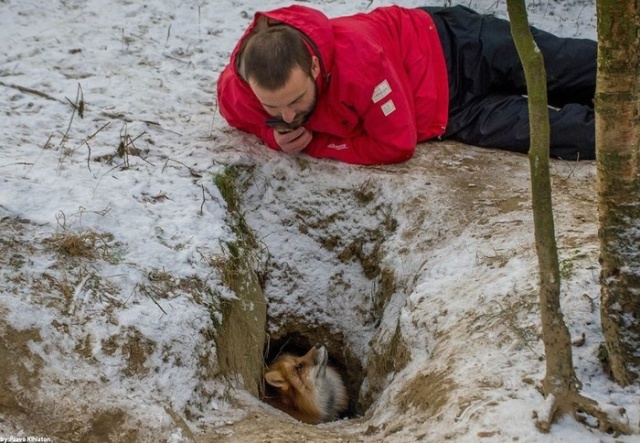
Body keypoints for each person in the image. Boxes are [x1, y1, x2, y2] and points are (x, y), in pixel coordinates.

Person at [216, 4, 596, 165]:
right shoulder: (239, 92)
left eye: (296, 100)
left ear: (314, 66)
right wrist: (273, 137)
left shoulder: (359, 58)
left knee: (567, 66)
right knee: (567, 136)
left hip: (457, 43)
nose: (288, 115)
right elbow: (244, 119)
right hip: (451, 114)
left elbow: (395, 144)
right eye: (273, 107)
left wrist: (315, 143)